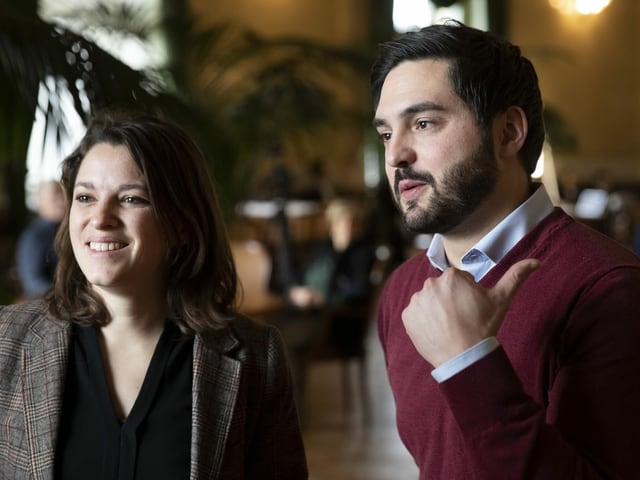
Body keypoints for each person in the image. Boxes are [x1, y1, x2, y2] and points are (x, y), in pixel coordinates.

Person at [371, 21, 640, 479]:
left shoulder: (610, 289)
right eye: (385, 134)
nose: (396, 155)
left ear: (508, 132)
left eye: (423, 123)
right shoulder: (402, 292)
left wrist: (468, 363)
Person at [0, 110, 307, 479]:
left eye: (131, 199)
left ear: (181, 223)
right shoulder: (7, 340)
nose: (100, 218)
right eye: (84, 197)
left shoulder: (256, 357)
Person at [15, 179, 66, 299]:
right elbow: (32, 282)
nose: (62, 201)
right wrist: (67, 295)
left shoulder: (68, 231)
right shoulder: (34, 236)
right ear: (40, 203)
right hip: (49, 302)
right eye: (55, 196)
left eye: (63, 195)